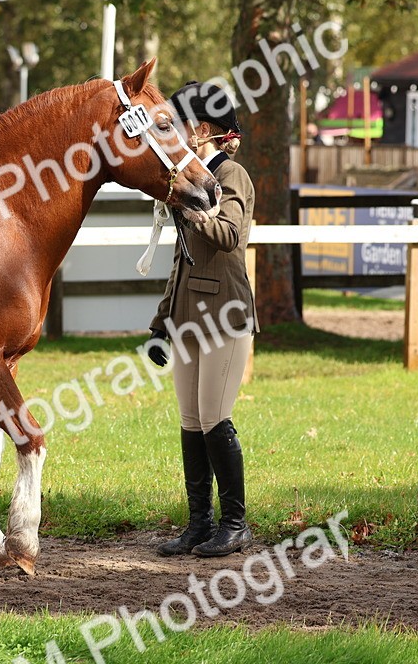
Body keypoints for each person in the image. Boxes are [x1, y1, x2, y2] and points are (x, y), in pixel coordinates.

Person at [149, 80, 258, 558]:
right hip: (188, 313)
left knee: (215, 419)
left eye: (188, 124)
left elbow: (231, 235)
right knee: (191, 422)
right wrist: (160, 320)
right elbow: (181, 260)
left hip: (225, 314)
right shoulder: (189, 178)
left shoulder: (231, 175)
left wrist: (191, 211)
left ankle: (235, 525)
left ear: (208, 129)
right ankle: (199, 525)